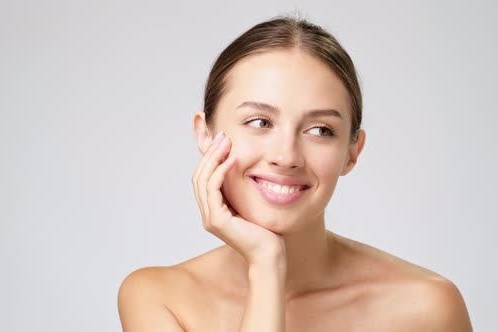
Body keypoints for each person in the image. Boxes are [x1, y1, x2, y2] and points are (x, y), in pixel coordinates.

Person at [117, 15, 473, 331]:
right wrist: (266, 264)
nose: (286, 157)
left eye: (320, 130)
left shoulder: (427, 308)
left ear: (352, 152)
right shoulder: (158, 298)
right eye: (260, 122)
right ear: (205, 134)